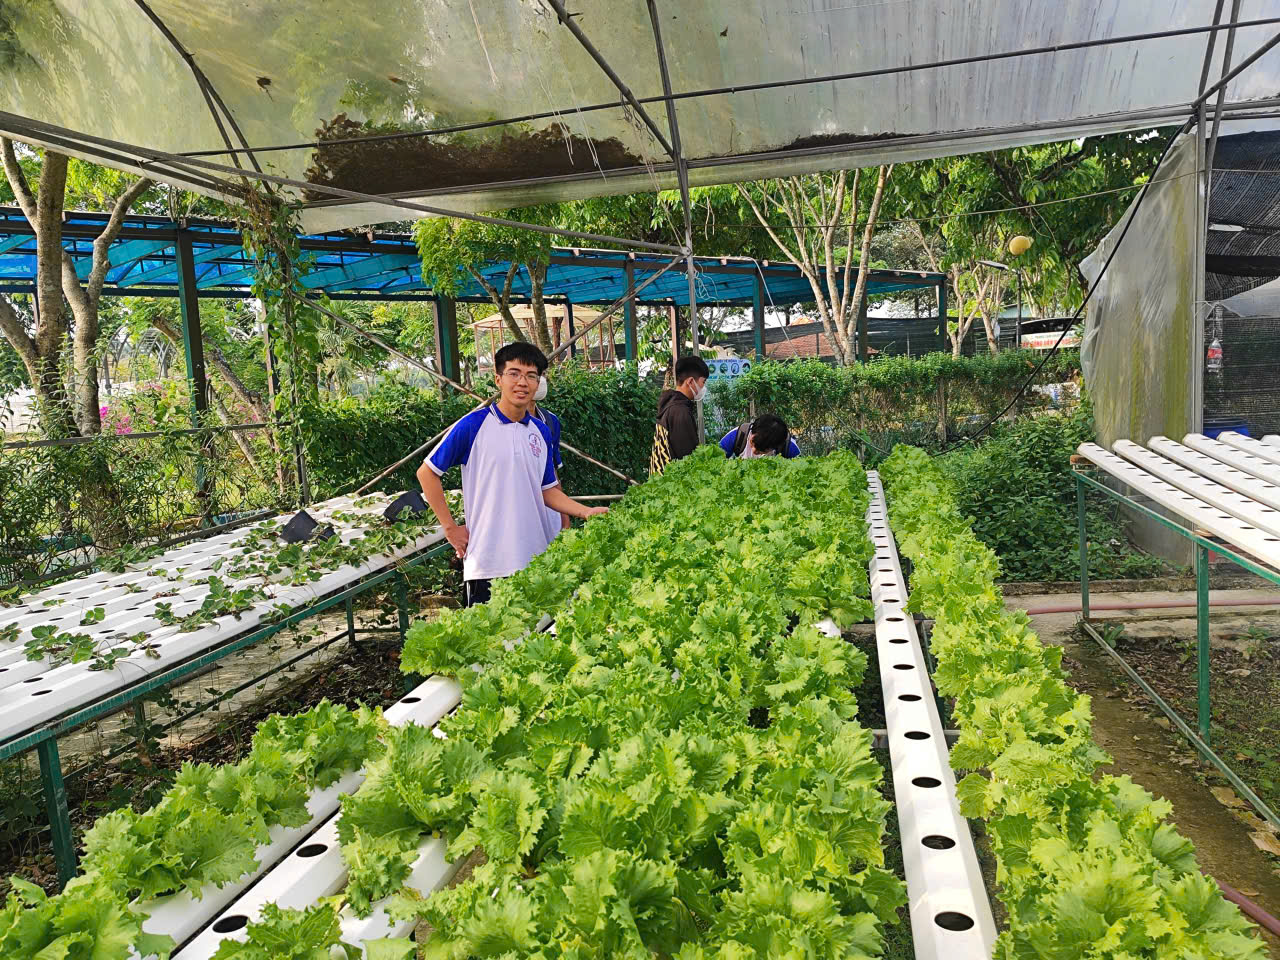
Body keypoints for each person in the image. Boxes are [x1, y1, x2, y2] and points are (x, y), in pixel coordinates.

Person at [417, 342, 607, 607]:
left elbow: (547, 490)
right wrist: (450, 528)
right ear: (498, 379)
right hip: (488, 563)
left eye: (531, 376)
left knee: (535, 630)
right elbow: (427, 473)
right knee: (487, 633)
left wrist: (585, 512)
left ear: (538, 383)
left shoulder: (541, 431)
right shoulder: (473, 425)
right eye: (514, 373)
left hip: (535, 559)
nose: (522, 382)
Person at [650, 355, 710, 476]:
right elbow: (688, 457)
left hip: (661, 480)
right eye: (703, 382)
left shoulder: (670, 405)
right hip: (672, 482)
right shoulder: (680, 411)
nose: (704, 387)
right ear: (690, 382)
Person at [529, 374, 571, 536]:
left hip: (549, 507)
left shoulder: (550, 420)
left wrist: (564, 517)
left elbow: (552, 472)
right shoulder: (489, 424)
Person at [720, 413, 802, 459]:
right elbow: (715, 461)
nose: (754, 451)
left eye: (762, 451)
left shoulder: (789, 447)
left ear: (775, 446)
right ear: (752, 430)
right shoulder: (737, 435)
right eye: (752, 443)